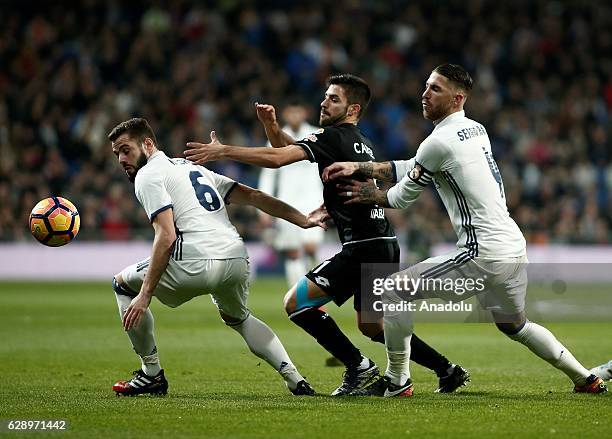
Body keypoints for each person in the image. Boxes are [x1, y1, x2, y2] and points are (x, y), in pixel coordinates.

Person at [322, 63, 608, 396]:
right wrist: (364, 166)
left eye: (435, 89)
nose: (425, 94)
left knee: (391, 292)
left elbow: (400, 198)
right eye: (427, 86)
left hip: (482, 253)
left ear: (457, 98)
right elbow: (416, 165)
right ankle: (585, 379)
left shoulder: (438, 142)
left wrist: (367, 192)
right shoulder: (475, 129)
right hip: (512, 246)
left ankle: (397, 381)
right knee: (515, 324)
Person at [184, 74, 469, 396]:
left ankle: (359, 368)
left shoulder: (334, 136)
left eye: (334, 98)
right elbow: (292, 152)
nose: (324, 102)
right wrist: (273, 131)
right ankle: (447, 369)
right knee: (372, 326)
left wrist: (223, 151)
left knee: (297, 303)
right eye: (325, 96)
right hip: (382, 242)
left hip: (363, 247)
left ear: (353, 108)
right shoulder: (359, 140)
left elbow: (280, 159)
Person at [108, 117, 329, 396]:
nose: (121, 159)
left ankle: (151, 373)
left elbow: (166, 236)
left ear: (148, 144)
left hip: (194, 260)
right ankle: (295, 379)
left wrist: (145, 294)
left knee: (122, 284)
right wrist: (302, 219)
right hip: (235, 258)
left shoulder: (148, 175)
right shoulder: (192, 168)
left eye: (125, 150)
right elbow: (253, 195)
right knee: (239, 317)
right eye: (117, 153)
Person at [257, 101, 324, 287]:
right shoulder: (274, 137)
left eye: (298, 111)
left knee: (311, 248)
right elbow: (268, 174)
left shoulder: (316, 135)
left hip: (313, 198)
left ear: (304, 113)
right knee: (293, 251)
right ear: (285, 114)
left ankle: (320, 287)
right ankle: (299, 292)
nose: (295, 116)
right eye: (291, 112)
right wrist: (263, 208)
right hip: (287, 200)